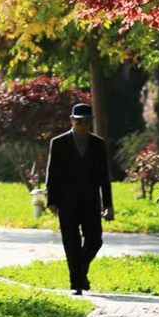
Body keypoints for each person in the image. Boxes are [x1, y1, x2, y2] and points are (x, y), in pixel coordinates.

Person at [45, 103, 114, 295]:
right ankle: (76, 283)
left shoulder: (98, 144)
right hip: (66, 200)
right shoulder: (59, 143)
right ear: (72, 120)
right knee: (71, 241)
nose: (83, 125)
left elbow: (104, 175)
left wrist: (107, 203)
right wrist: (51, 200)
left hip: (91, 200)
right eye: (79, 121)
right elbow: (52, 173)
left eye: (87, 122)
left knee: (95, 240)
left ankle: (80, 270)